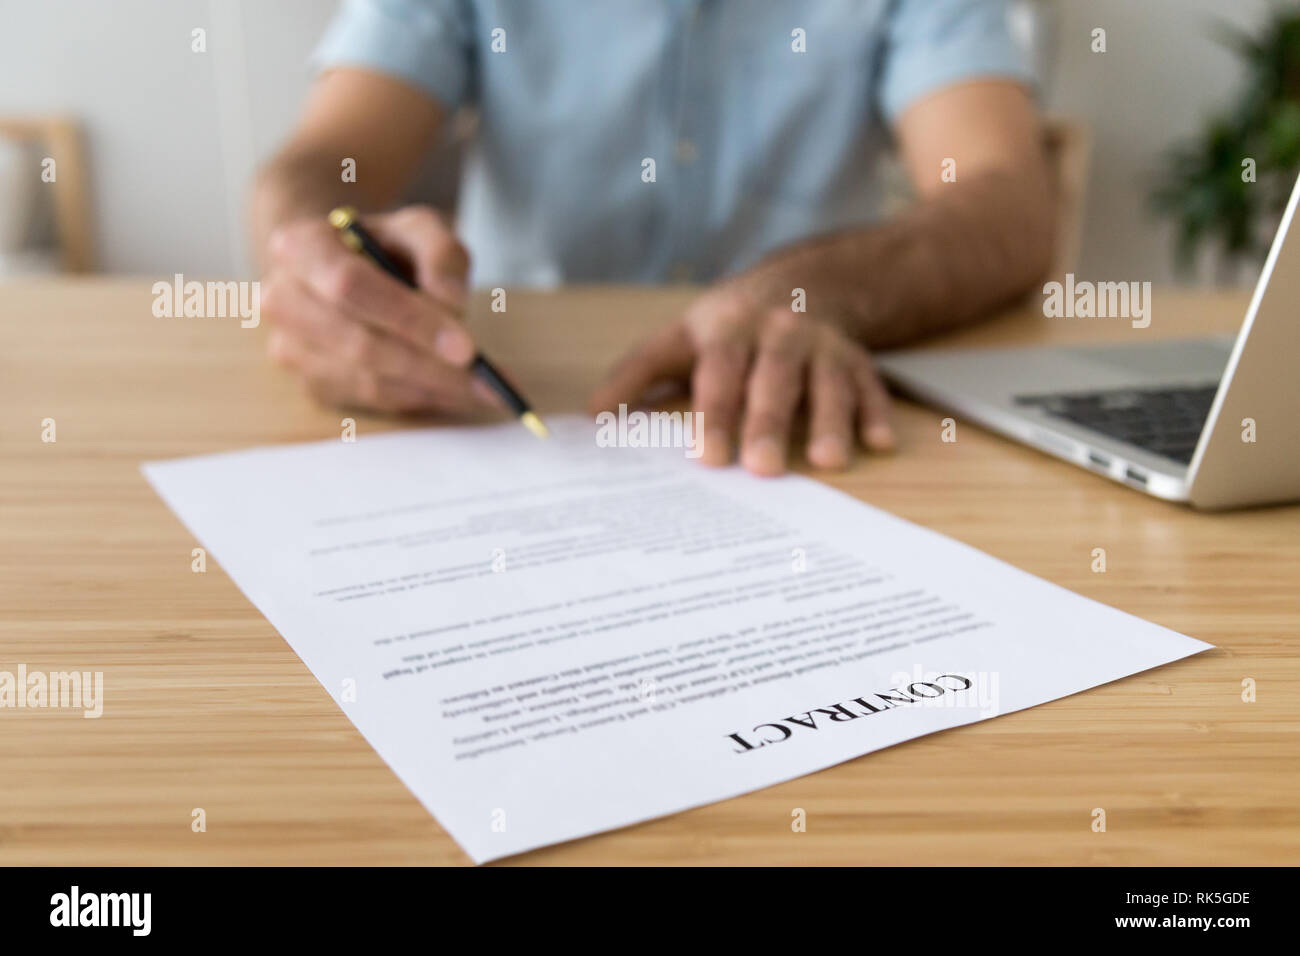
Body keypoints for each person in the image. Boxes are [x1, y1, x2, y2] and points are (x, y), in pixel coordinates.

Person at [250, 0, 1054, 476]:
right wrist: (315, 250)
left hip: (809, 410)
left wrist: (811, 292)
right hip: (505, 404)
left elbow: (1008, 202)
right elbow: (324, 164)